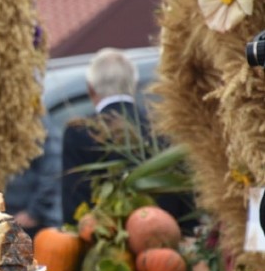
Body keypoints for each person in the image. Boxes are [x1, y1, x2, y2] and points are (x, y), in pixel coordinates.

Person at [60, 48, 195, 228]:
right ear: (134, 84)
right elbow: (185, 195)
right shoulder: (161, 125)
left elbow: (74, 206)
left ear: (90, 88)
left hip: (104, 245)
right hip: (165, 238)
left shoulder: (79, 132)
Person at [5, 114, 62, 238]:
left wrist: (34, 212)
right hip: (6, 218)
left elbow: (52, 171)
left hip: (30, 222)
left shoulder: (38, 122)